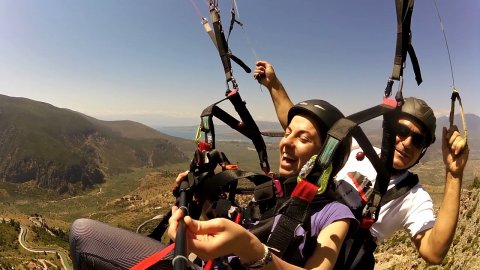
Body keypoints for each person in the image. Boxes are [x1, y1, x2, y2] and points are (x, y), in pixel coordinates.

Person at [69, 99, 355, 269]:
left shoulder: (335, 214)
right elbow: (233, 228)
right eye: (287, 132)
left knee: (84, 234)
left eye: (303, 138)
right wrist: (196, 206)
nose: (286, 143)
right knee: (83, 233)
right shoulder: (275, 191)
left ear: (326, 156)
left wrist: (254, 251)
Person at [254, 60, 470, 267]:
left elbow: (433, 252)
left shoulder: (412, 196)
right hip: (294, 230)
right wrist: (274, 85)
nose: (407, 143)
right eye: (402, 131)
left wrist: (454, 174)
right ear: (389, 130)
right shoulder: (358, 148)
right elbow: (306, 134)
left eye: (418, 139)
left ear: (423, 149)